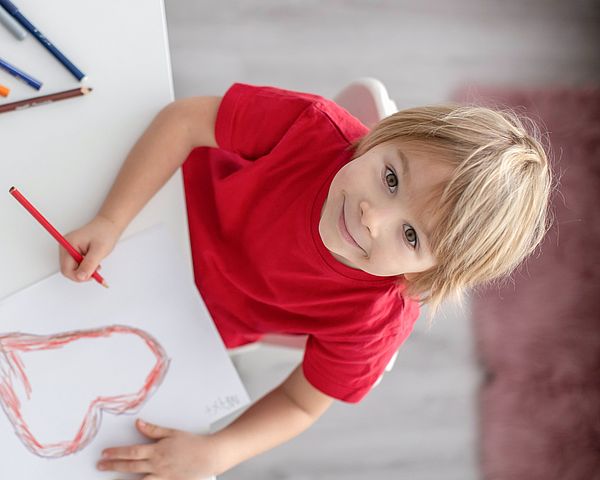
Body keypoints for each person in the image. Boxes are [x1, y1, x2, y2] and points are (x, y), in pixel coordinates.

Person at [59, 83, 552, 478]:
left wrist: (217, 453)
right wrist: (110, 220)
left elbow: (300, 401)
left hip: (179, 326)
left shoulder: (374, 320)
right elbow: (186, 120)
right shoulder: (310, 128)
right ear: (382, 137)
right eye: (391, 179)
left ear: (431, 273)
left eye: (410, 235)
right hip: (144, 214)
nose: (371, 218)